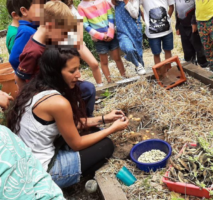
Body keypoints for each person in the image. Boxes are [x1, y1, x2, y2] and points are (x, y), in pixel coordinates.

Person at [7, 47, 129, 188]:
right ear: (56, 73)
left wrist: (104, 118)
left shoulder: (37, 89)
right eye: (72, 71)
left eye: (78, 68)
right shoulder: (58, 103)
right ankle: (69, 181)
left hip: (25, 164)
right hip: (41, 174)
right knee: (106, 146)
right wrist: (113, 129)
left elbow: (69, 124)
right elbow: (76, 144)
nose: (78, 75)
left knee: (94, 131)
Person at [16, 1, 97, 118]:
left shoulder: (48, 41)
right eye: (63, 32)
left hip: (55, 84)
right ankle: (78, 122)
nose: (64, 37)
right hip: (43, 93)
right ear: (50, 26)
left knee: (87, 89)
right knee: (84, 91)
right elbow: (19, 78)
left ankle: (85, 120)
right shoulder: (33, 51)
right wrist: (30, 102)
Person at [0, 125, 65, 200]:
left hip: (32, 163)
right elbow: (76, 144)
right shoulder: (3, 134)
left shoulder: (3, 132)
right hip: (43, 165)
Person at [48, 0, 104, 87]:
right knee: (71, 70)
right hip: (64, 42)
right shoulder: (53, 6)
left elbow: (79, 23)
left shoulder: (70, 6)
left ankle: (101, 87)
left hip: (76, 40)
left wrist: (78, 39)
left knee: (94, 64)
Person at [78, 0, 126, 83]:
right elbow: (85, 25)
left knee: (117, 57)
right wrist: (100, 36)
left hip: (111, 35)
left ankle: (124, 76)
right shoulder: (81, 7)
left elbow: (110, 16)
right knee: (104, 62)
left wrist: (110, 32)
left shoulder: (103, 1)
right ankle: (109, 81)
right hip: (98, 39)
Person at [110, 0, 146, 75]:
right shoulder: (114, 2)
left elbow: (135, 14)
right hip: (122, 32)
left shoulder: (134, 1)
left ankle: (140, 67)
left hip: (135, 29)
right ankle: (137, 64)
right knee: (128, 49)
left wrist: (127, 2)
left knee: (139, 54)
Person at [9, 0, 42, 71]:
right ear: (24, 11)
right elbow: (14, 59)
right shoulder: (26, 32)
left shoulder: (30, 29)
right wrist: (25, 75)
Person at [140, 0, 175, 65]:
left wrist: (167, 19)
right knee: (156, 53)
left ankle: (168, 71)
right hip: (152, 33)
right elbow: (137, 5)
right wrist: (143, 16)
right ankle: (160, 74)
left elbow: (171, 6)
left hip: (167, 31)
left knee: (168, 50)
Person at [175, 0, 208, 68]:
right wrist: (177, 25)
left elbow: (198, 6)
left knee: (199, 48)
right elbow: (177, 8)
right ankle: (190, 65)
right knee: (187, 50)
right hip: (182, 25)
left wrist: (194, 21)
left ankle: (204, 66)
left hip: (193, 25)